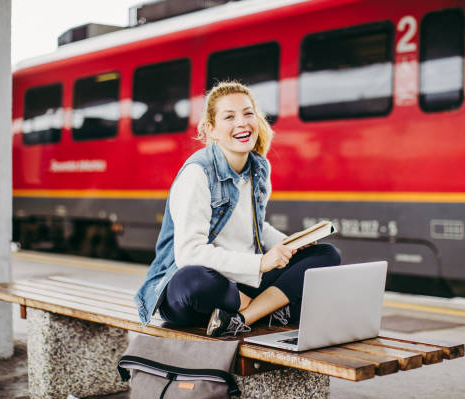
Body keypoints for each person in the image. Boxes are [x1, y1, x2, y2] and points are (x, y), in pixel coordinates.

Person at [134, 81, 341, 337]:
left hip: (243, 279)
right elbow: (189, 253)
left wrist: (290, 244)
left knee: (327, 255)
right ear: (212, 130)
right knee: (196, 282)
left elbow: (256, 226)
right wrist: (262, 262)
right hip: (195, 286)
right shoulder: (198, 173)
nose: (242, 123)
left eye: (248, 113)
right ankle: (268, 308)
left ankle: (241, 318)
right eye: (229, 116)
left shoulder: (258, 168)